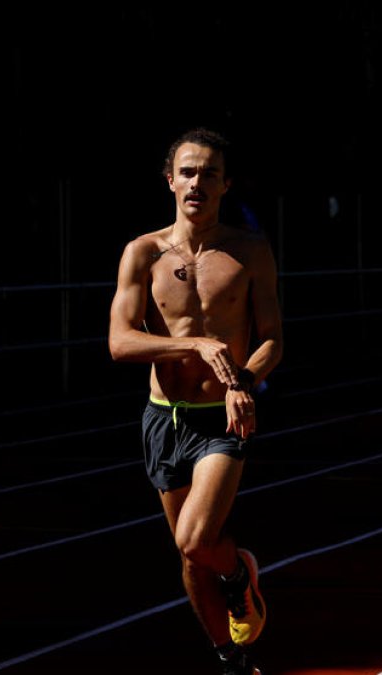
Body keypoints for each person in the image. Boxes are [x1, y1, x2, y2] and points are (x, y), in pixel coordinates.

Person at [109, 128, 283, 675]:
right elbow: (120, 342)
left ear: (225, 184)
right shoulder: (143, 252)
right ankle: (231, 658)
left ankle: (237, 574)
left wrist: (242, 383)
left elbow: (273, 338)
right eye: (187, 172)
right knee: (189, 556)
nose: (197, 183)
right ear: (170, 180)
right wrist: (195, 344)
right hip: (164, 418)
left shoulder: (249, 251)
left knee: (195, 537)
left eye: (210, 173)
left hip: (221, 419)